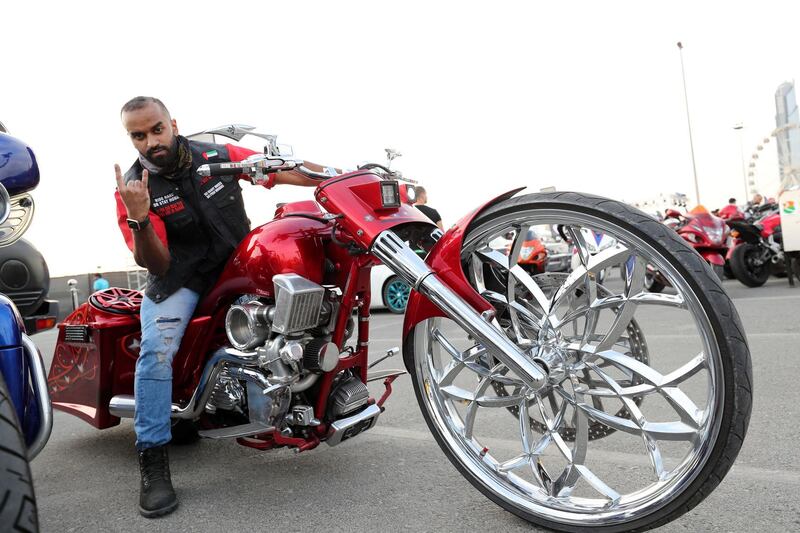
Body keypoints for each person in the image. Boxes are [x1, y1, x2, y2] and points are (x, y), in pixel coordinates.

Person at [114, 96, 329, 518]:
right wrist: (139, 218)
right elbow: (154, 262)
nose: (151, 141)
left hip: (238, 262)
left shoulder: (217, 153)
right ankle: (153, 462)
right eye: (139, 135)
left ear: (172, 124)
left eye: (156, 129)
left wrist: (337, 175)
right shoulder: (134, 188)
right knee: (155, 354)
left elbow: (279, 170)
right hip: (181, 278)